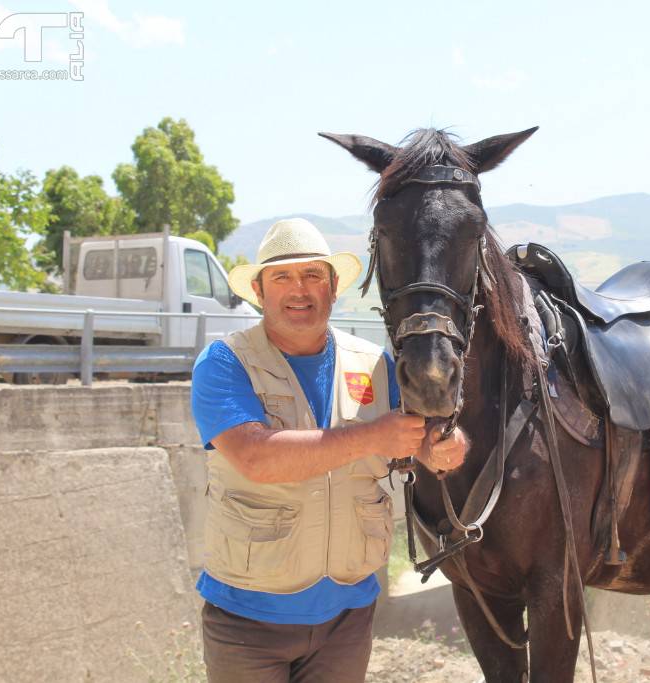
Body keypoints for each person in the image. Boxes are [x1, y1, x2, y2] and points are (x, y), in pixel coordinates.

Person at [190, 218, 467, 682]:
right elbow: (255, 457)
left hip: (348, 616)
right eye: (282, 277)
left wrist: (444, 447)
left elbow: (423, 441)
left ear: (333, 287)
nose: (299, 290)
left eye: (312, 275)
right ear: (259, 291)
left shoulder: (377, 364)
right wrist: (373, 436)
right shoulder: (224, 362)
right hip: (247, 621)